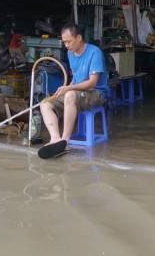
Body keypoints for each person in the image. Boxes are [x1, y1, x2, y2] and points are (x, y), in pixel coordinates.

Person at [37, 23, 108, 158]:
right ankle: (55, 139)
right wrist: (65, 89)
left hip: (96, 93)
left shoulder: (95, 52)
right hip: (76, 93)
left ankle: (65, 142)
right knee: (45, 103)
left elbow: (92, 82)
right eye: (64, 42)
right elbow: (76, 78)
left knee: (70, 94)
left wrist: (69, 89)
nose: (66, 45)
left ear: (79, 38)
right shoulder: (70, 54)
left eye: (69, 41)